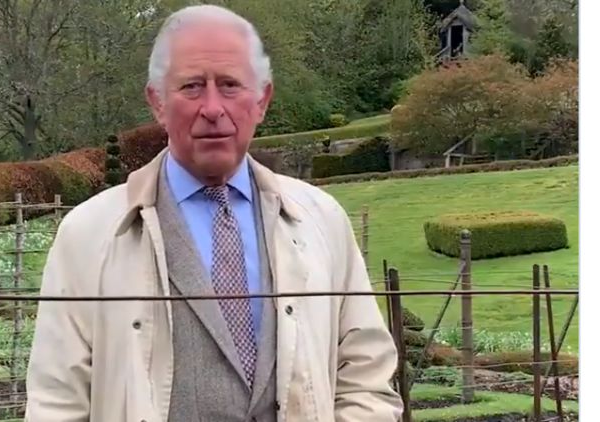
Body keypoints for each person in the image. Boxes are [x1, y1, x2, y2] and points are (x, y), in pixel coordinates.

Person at [25, 4, 403, 421]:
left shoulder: (321, 221)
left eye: (229, 85)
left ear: (262, 100)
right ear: (157, 102)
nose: (212, 107)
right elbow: (56, 403)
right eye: (191, 86)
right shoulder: (88, 234)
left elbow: (366, 377)